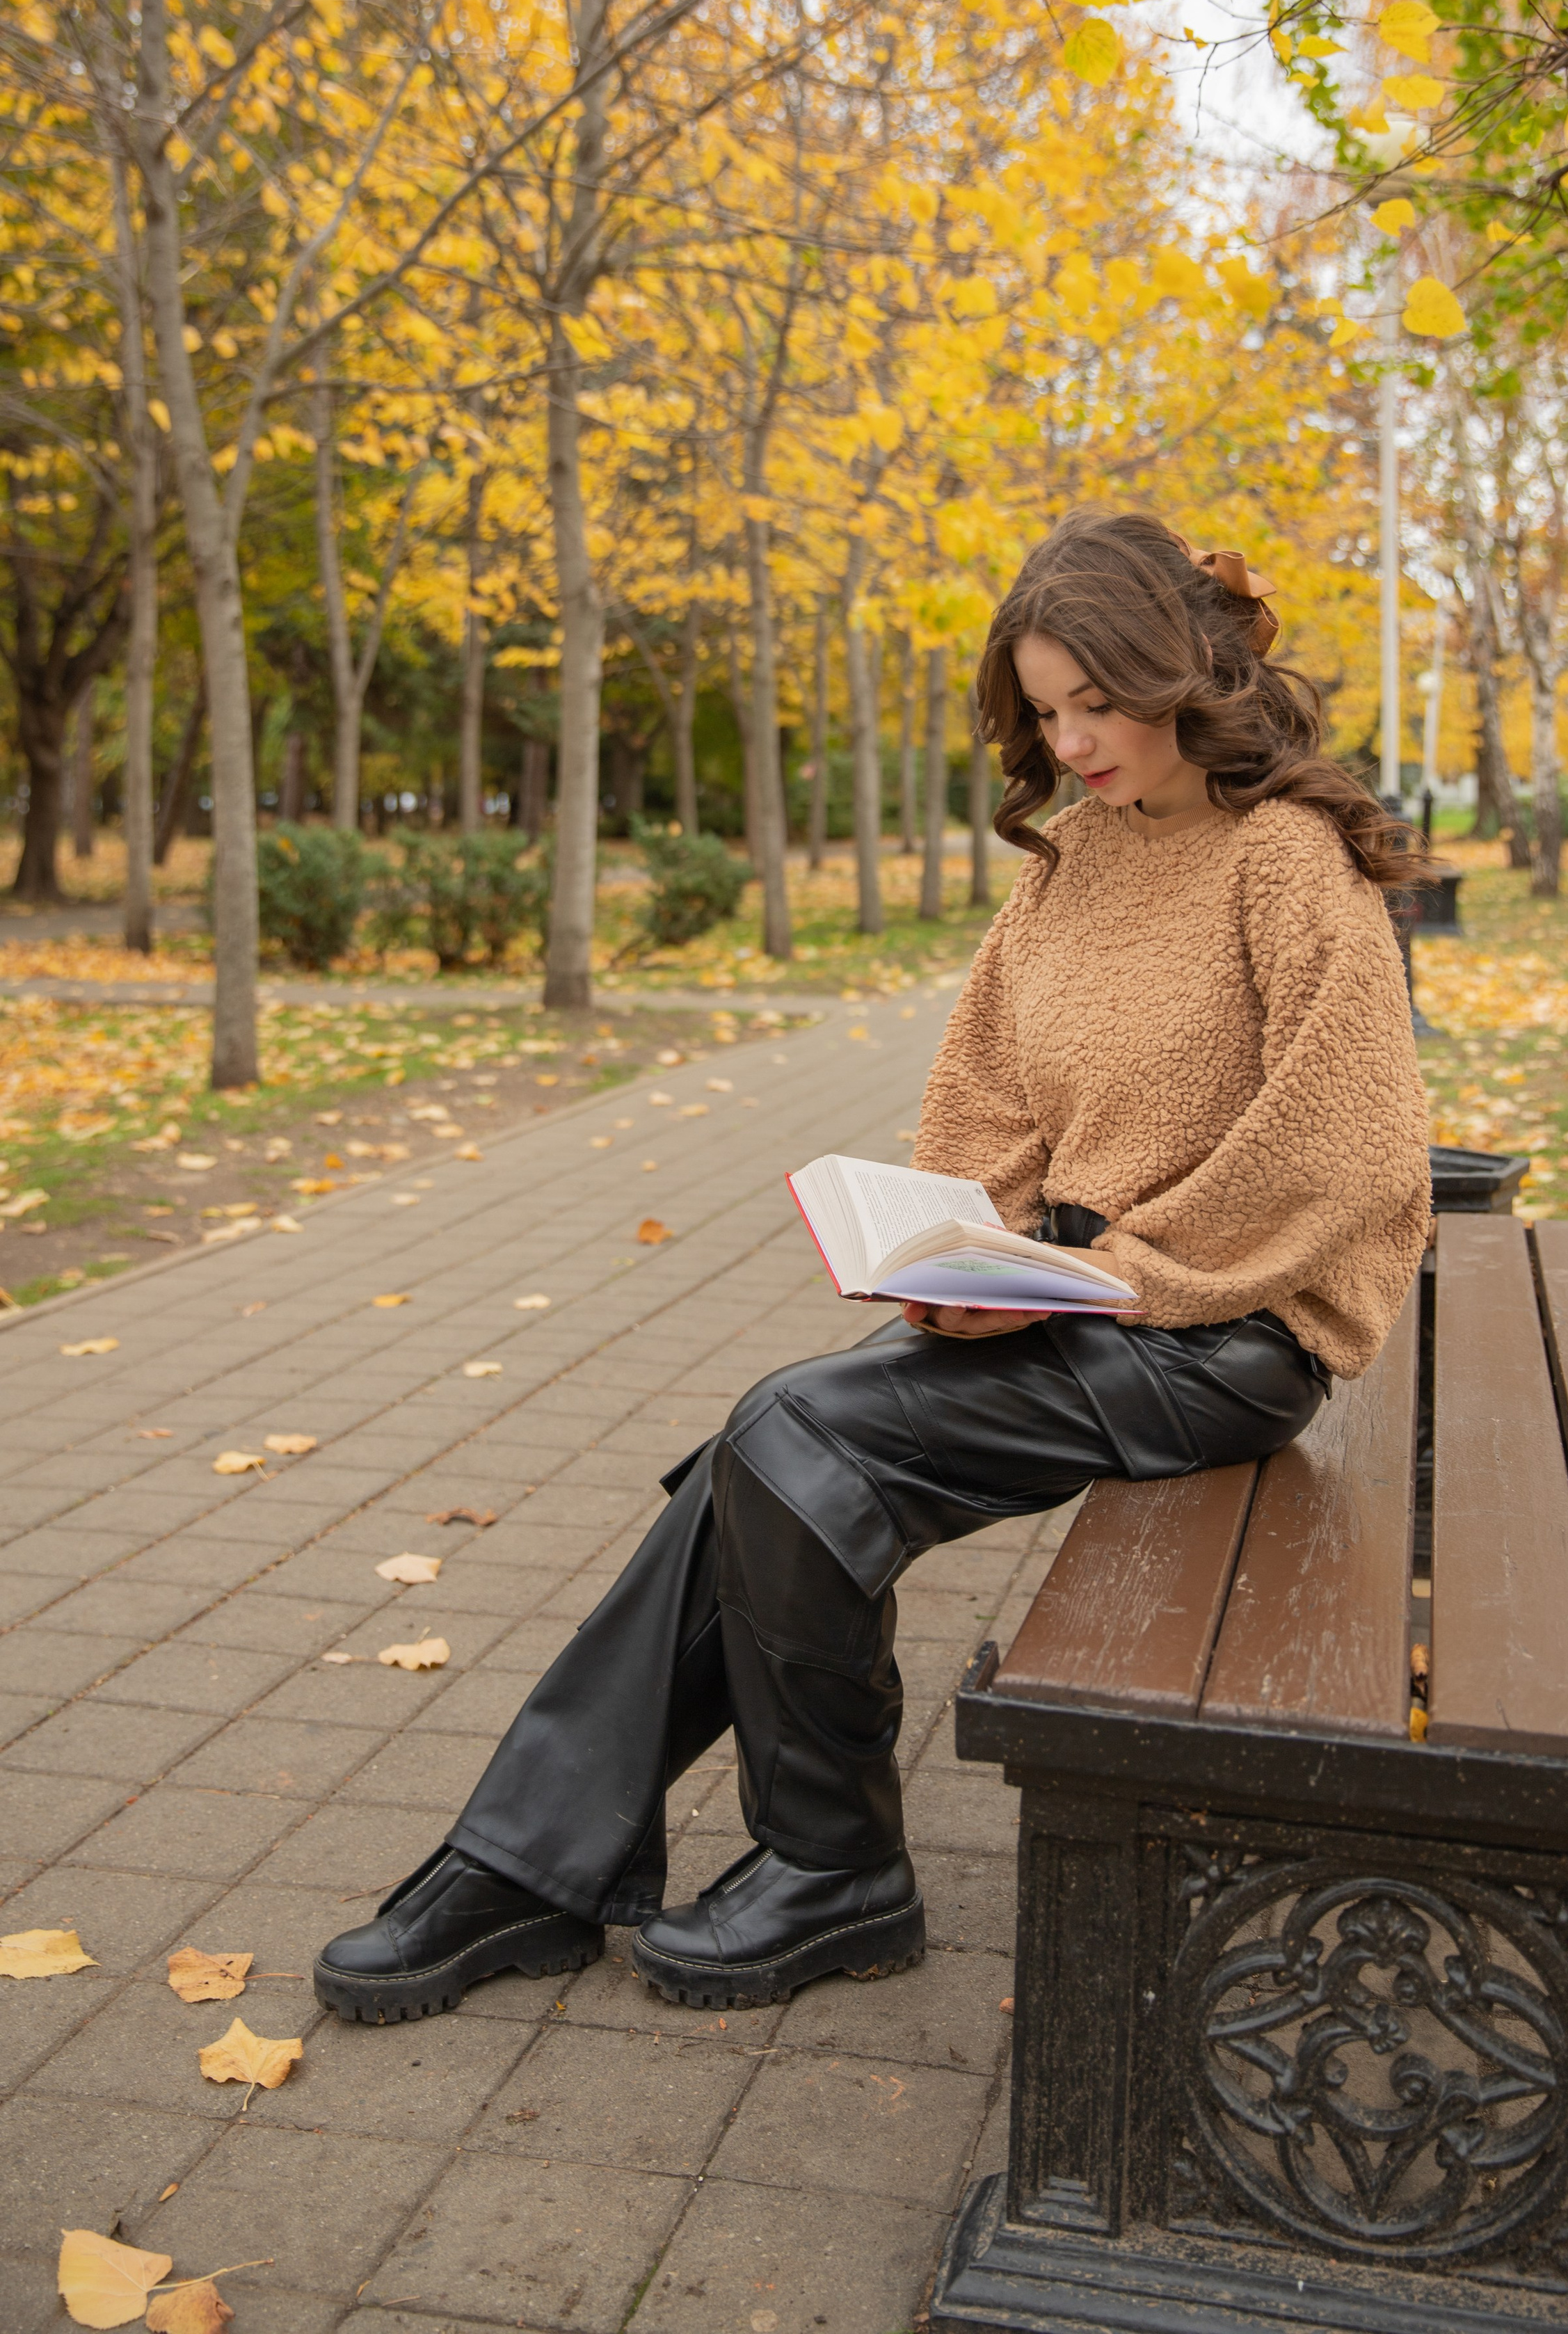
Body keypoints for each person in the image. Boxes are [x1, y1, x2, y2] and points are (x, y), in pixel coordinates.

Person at [312, 506, 1432, 2024]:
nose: (1071, 744)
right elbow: (988, 1092)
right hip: (1084, 1303)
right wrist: (955, 1245)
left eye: (1095, 703)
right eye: (1044, 713)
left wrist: (1128, 1274)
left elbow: (1349, 1147)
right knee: (767, 1459)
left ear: (1180, 670)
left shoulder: (1286, 859)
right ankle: (539, 1864)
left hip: (1225, 1337)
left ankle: (811, 1864)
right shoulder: (1074, 860)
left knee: (792, 1433)